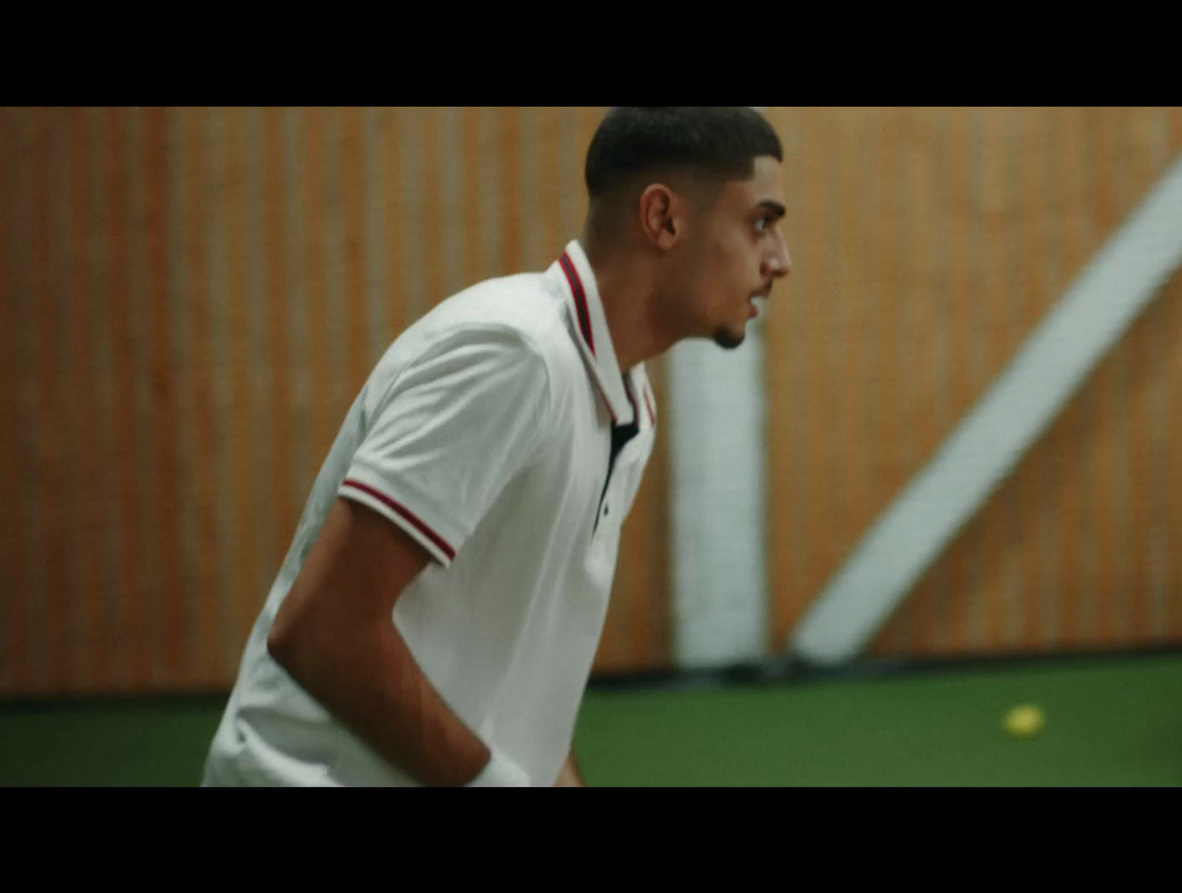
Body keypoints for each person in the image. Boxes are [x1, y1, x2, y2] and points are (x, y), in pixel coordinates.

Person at [202, 107, 792, 786]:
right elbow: (323, 631)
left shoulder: (628, 401)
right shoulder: (511, 353)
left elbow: (517, 692)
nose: (780, 258)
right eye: (761, 222)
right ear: (663, 217)